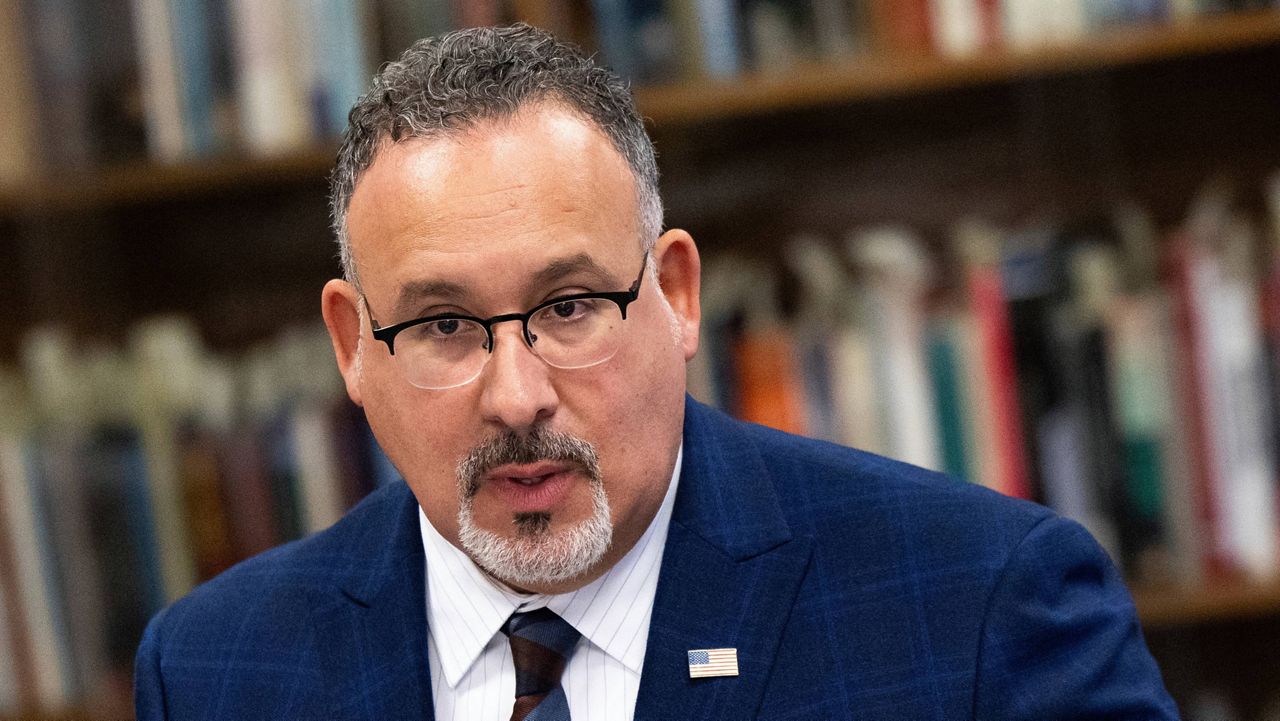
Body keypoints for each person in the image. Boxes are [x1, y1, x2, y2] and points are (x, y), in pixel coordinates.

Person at [135, 24, 1178, 721]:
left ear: (675, 295)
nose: (515, 393)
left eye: (569, 306)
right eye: (446, 324)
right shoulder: (215, 671)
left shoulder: (981, 605)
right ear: (352, 345)